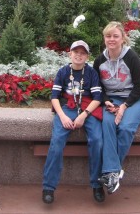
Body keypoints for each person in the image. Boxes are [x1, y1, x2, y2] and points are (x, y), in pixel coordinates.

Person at [42, 40, 105, 204]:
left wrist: (83, 115)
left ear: (87, 56)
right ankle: (49, 186)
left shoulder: (91, 73)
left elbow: (98, 98)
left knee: (97, 140)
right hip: (67, 109)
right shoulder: (63, 72)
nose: (79, 55)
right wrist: (62, 116)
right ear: (70, 53)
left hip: (87, 109)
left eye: (82, 52)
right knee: (56, 141)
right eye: (75, 52)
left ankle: (97, 184)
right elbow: (54, 97)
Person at [93, 21, 140, 195]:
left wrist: (124, 106)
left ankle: (111, 172)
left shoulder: (131, 57)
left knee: (125, 127)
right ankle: (114, 172)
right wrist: (106, 101)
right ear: (104, 38)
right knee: (108, 124)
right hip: (112, 100)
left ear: (123, 38)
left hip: (136, 98)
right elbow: (97, 87)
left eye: (115, 36)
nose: (111, 39)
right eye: (108, 36)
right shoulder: (99, 60)